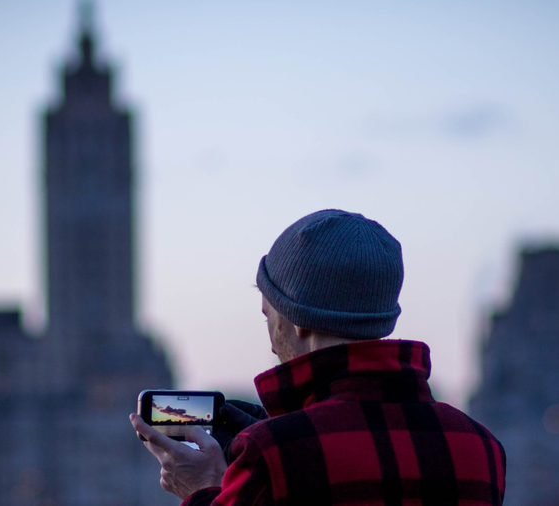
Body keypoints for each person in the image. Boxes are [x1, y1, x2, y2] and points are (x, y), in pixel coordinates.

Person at [130, 209, 506, 506]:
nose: (272, 344)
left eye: (268, 316)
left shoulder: (273, 454)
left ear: (296, 322)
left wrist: (202, 489)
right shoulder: (482, 447)